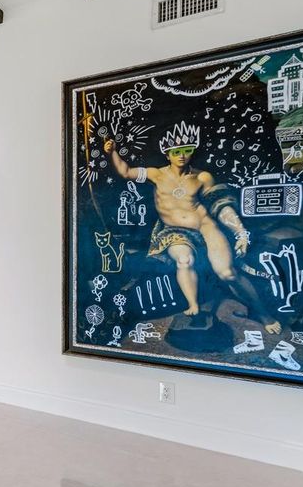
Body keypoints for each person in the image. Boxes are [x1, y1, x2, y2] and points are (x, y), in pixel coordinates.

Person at [104, 122, 280, 334]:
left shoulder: (202, 177)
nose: (182, 156)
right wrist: (112, 152)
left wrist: (240, 232)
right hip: (174, 232)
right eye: (176, 151)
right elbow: (125, 172)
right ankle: (193, 305)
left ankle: (263, 313)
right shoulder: (155, 174)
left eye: (187, 150)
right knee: (184, 260)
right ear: (167, 153)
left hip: (205, 227)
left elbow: (221, 205)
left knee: (228, 273)